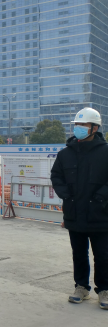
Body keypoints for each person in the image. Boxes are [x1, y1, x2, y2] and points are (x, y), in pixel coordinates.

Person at [50, 107, 108, 310]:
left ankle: (104, 289)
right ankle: (81, 287)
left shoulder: (105, 152)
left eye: (83, 125)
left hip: (101, 214)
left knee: (103, 255)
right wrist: (65, 195)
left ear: (94, 128)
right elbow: (56, 176)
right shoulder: (65, 154)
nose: (78, 128)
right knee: (79, 254)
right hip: (74, 213)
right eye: (77, 125)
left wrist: (101, 197)